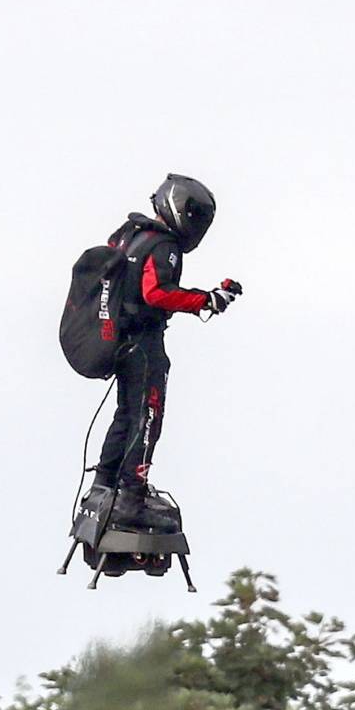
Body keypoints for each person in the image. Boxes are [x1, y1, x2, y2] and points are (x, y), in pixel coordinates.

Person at [89, 173, 241, 531]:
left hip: (119, 339)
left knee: (127, 413)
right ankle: (131, 497)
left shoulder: (130, 234)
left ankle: (104, 487)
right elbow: (155, 292)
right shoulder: (164, 245)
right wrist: (206, 300)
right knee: (148, 415)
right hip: (143, 343)